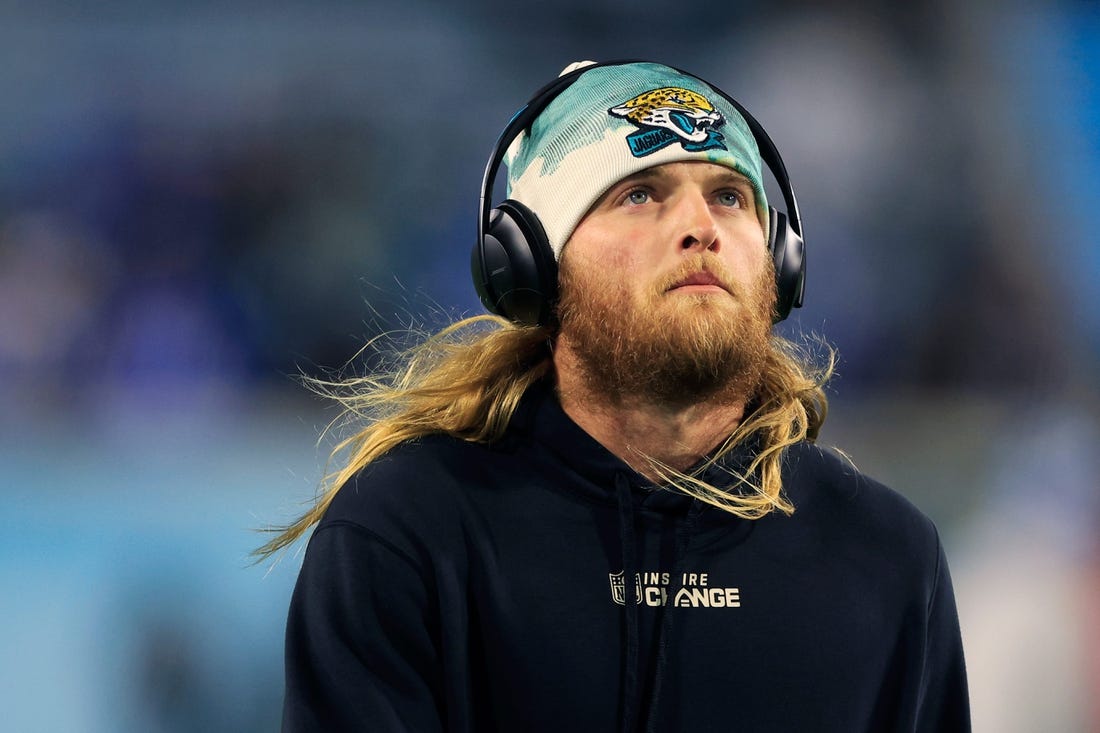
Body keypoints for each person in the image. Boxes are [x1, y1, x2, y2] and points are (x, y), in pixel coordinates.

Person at [263, 60, 970, 732]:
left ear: (781, 261)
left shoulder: (886, 555)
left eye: (729, 196)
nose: (702, 228)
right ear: (533, 265)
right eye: (640, 194)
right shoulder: (409, 532)